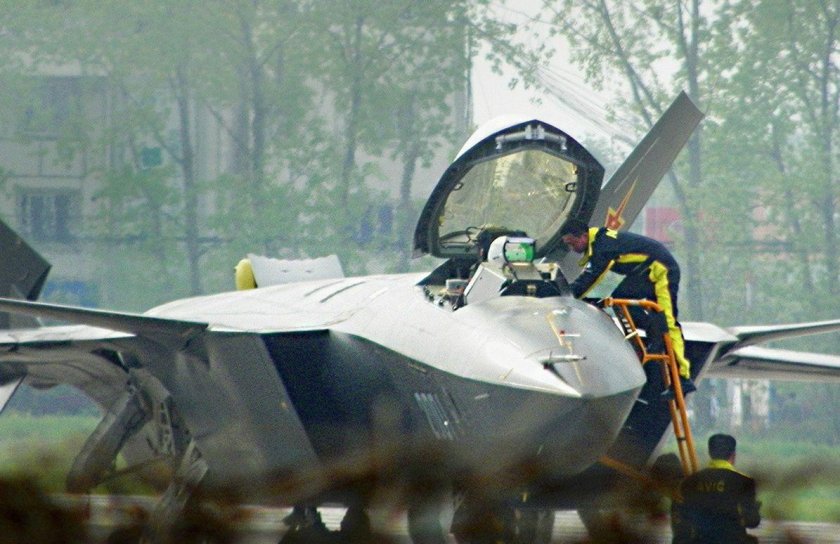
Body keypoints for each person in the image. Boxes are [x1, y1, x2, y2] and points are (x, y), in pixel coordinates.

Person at [559, 219, 695, 397]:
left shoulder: (603, 246)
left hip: (662, 270)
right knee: (620, 300)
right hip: (643, 272)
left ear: (584, 236)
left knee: (668, 322)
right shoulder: (598, 241)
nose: (572, 249)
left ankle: (684, 378)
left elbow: (592, 277)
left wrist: (566, 295)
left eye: (572, 243)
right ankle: (656, 333)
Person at [676, 434, 761, 543]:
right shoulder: (745, 482)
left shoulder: (689, 482)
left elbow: (684, 520)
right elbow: (752, 521)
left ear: (710, 453)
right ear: (733, 455)